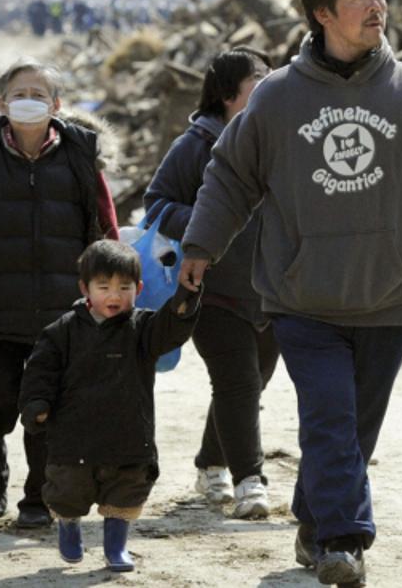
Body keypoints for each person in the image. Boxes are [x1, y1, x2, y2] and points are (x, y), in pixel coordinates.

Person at [178, 0, 402, 587]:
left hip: (390, 296)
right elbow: (231, 176)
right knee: (330, 418)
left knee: (356, 433)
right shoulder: (278, 99)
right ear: (322, 12)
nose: (375, 6)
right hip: (303, 298)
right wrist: (201, 247)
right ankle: (344, 543)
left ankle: (315, 519)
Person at [0, 58, 120, 529]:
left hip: (59, 312)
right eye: (20, 93)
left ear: (57, 105)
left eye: (39, 94)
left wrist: (108, 292)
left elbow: (106, 229)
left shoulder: (80, 156)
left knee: (47, 412)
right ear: (2, 103)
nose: (29, 101)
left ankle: (36, 499)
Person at [143, 47, 278, 518]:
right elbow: (156, 204)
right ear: (226, 94)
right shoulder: (198, 145)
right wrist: (209, 222)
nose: (271, 85)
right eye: (258, 79)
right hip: (211, 287)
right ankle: (249, 482)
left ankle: (211, 463)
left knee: (247, 384)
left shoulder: (284, 140)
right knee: (239, 382)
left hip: (273, 291)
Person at [18, 240, 200, 572]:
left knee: (127, 490)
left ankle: (116, 548)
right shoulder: (61, 332)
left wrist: (186, 297)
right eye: (104, 287)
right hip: (74, 437)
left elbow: (172, 328)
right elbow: (40, 372)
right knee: (68, 490)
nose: (114, 295)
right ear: (85, 288)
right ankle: (69, 526)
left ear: (139, 288)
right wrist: (36, 404)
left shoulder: (143, 328)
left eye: (124, 287)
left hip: (128, 435)